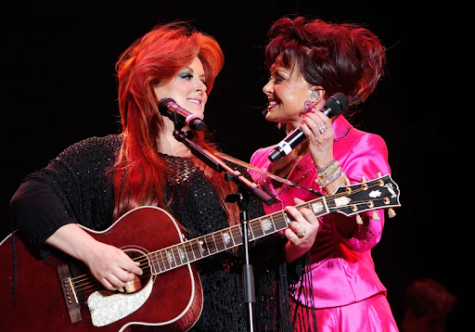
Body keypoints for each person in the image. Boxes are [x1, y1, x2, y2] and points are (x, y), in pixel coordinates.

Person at [7, 21, 319, 331]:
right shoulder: (104, 156)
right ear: (150, 84)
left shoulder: (226, 175)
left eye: (203, 80)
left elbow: (257, 263)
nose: (201, 87)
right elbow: (31, 199)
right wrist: (93, 253)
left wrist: (297, 247)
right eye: (187, 76)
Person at [249, 15, 399, 331]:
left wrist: (326, 163)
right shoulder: (262, 160)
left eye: (278, 78)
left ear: (315, 96)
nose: (266, 87)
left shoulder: (362, 145)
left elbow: (365, 236)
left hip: (343, 313)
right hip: (280, 312)